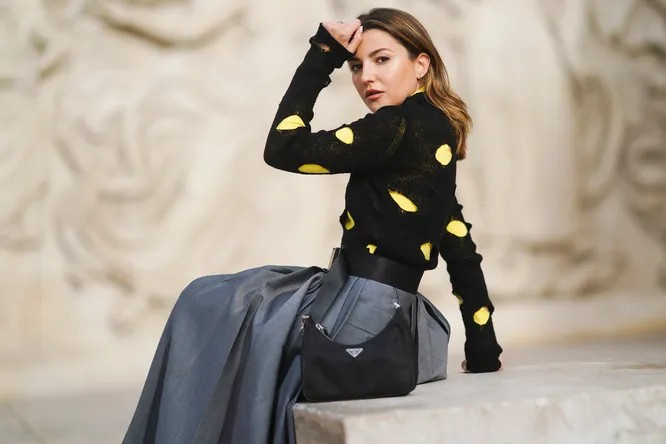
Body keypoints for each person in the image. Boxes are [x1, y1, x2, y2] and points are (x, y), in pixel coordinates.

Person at [122, 7, 503, 444]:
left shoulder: (393, 128)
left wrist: (323, 55)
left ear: (421, 65)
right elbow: (458, 243)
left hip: (360, 319)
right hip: (408, 326)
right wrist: (483, 349)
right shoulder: (437, 134)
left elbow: (282, 147)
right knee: (244, 300)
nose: (366, 77)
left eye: (382, 59)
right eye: (355, 65)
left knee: (204, 300)